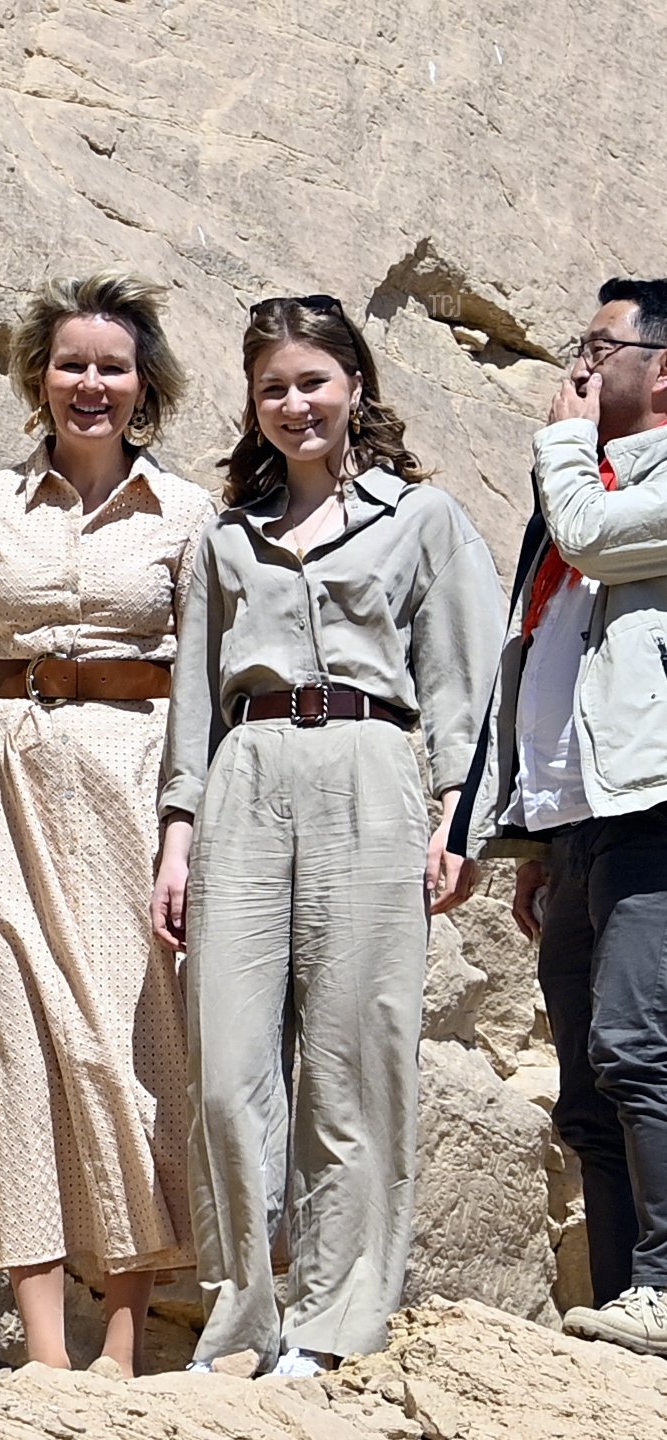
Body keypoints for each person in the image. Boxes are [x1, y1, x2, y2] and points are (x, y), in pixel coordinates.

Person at [152, 294, 504, 1377]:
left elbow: (465, 679)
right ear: (252, 404)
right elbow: (195, 698)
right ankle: (242, 1314)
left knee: (355, 1066)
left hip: (368, 770)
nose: (294, 404)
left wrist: (459, 814)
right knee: (228, 1076)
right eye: (273, 388)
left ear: (355, 384)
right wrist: (178, 833)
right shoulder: (227, 539)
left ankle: (333, 1320)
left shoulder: (423, 520)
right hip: (247, 778)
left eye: (313, 381)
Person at [0, 270, 215, 1378]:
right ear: (39, 378)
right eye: (71, 364)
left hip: (134, 787)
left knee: (132, 1050)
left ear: (143, 386)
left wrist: (187, 827)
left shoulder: (188, 516)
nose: (91, 384)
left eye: (112, 367)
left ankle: (122, 1344)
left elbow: (206, 689)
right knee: (13, 1050)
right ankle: (42, 1354)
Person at [449, 277, 667, 1357]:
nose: (576, 367)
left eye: (598, 346)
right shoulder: (587, 484)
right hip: (580, 820)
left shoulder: (602, 488)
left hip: (655, 812)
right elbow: (543, 661)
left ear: (662, 370)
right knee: (587, 1082)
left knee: (639, 1048)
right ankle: (626, 1301)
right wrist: (533, 836)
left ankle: (665, 1286)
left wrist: (565, 446)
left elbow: (588, 538)